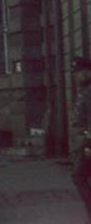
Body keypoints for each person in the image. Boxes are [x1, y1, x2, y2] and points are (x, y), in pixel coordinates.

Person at [71, 56, 91, 220]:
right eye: (75, 73)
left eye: (79, 72)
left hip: (87, 145)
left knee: (78, 177)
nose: (76, 76)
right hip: (83, 145)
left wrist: (88, 146)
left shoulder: (89, 92)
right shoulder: (84, 91)